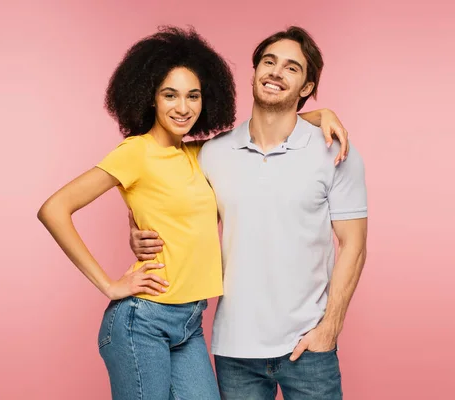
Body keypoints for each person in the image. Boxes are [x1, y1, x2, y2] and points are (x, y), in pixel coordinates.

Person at [129, 26, 367, 400]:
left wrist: (330, 328)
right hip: (234, 350)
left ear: (307, 87)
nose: (276, 72)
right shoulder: (213, 153)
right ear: (254, 72)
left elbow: (353, 244)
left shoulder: (333, 152)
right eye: (269, 62)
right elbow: (160, 180)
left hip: (309, 347)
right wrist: (136, 227)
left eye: (292, 68)